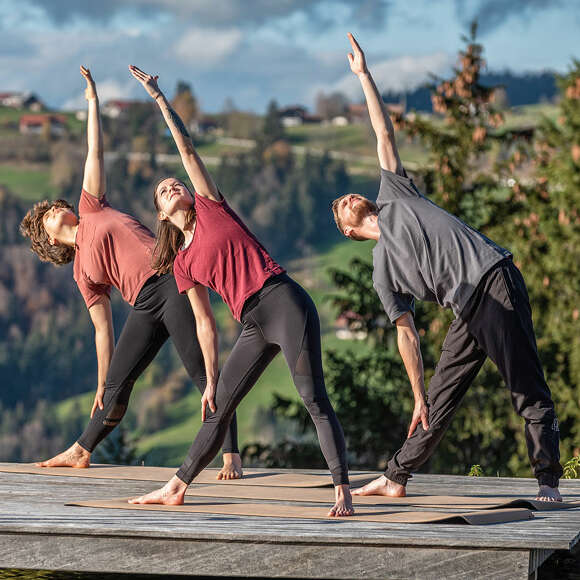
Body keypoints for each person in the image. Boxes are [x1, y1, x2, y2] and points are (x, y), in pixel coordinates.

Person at [331, 34, 563, 501]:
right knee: (436, 401)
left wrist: (364, 76)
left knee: (525, 384)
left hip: (493, 279)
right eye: (340, 207)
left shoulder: (396, 195)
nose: (348, 199)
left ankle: (547, 481)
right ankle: (396, 476)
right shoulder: (382, 271)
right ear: (350, 233)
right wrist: (416, 392)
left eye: (349, 195)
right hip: (467, 309)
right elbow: (406, 333)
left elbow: (383, 133)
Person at [126, 65, 353, 516]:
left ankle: (343, 489)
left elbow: (187, 151)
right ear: (161, 213)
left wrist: (159, 99)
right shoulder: (183, 263)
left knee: (312, 397)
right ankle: (176, 486)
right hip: (252, 321)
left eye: (175, 183)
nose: (173, 185)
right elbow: (205, 324)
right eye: (163, 190)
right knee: (219, 408)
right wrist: (210, 378)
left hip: (284, 300)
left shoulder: (212, 207)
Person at [19, 67, 242, 480]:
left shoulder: (91, 207)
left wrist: (92, 100)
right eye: (47, 215)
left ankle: (230, 453)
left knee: (200, 370)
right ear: (50, 240)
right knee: (118, 385)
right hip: (143, 303)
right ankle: (82, 449)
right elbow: (103, 331)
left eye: (52, 206)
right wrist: (102, 381)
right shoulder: (82, 274)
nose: (53, 208)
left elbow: (95, 154)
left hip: (172, 279)